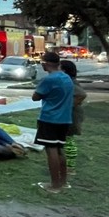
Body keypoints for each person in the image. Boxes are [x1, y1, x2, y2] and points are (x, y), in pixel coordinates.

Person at [32, 51, 74, 193]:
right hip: (65, 119)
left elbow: (35, 97)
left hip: (50, 118)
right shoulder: (66, 77)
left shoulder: (49, 79)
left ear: (47, 63)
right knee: (60, 149)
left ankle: (54, 185)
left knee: (51, 151)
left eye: (42, 62)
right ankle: (63, 181)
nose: (41, 65)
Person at [59, 60, 87, 171]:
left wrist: (67, 106)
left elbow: (81, 94)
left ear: (64, 70)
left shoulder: (69, 81)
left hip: (71, 115)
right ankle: (68, 165)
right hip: (68, 114)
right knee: (65, 140)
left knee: (68, 139)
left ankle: (70, 167)